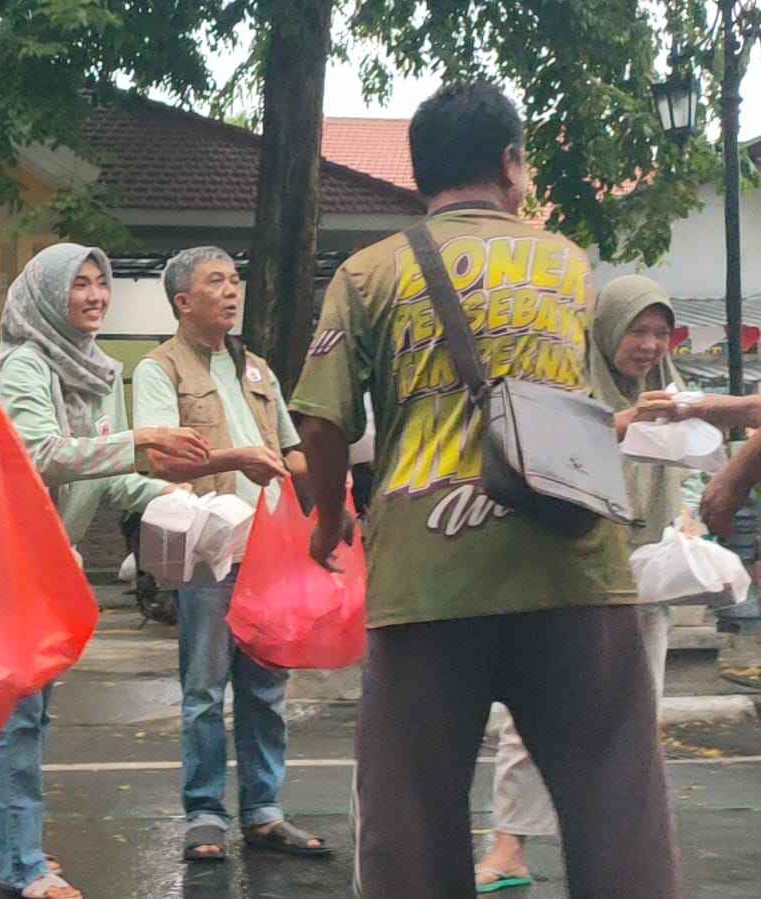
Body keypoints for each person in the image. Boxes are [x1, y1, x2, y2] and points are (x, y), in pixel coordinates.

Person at [290, 81, 679, 897]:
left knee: (411, 810)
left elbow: (319, 420)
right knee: (614, 792)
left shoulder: (367, 273)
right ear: (509, 163)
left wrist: (327, 518)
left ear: (420, 172)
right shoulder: (569, 265)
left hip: (425, 575)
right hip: (571, 561)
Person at [472, 274, 712, 891]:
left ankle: (622, 845)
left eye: (661, 332)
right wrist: (630, 419)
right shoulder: (573, 381)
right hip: (575, 568)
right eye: (638, 330)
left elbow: (688, 468)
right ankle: (508, 846)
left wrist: (685, 517)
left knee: (636, 711)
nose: (650, 344)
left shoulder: (668, 386)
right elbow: (551, 450)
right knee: (541, 708)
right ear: (608, 328)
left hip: (650, 570)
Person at [0, 243, 208, 898]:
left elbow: (109, 476)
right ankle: (20, 859)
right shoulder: (25, 363)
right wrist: (139, 442)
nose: (93, 295)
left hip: (52, 560)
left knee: (28, 713)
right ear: (47, 298)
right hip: (6, 556)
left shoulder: (97, 371)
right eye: (77, 285)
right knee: (20, 715)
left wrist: (174, 497)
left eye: (99, 283)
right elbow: (41, 454)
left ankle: (9, 838)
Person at [129, 245, 327, 862]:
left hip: (268, 548)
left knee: (268, 685)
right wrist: (233, 459)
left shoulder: (257, 369)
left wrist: (325, 478)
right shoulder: (159, 369)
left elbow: (289, 451)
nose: (232, 290)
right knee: (205, 688)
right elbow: (159, 457)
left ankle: (265, 811)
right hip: (208, 550)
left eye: (235, 278)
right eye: (216, 281)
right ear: (183, 301)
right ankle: (205, 814)